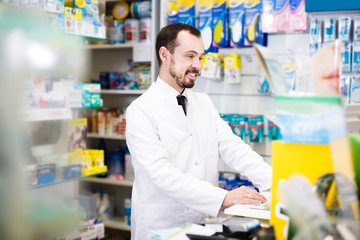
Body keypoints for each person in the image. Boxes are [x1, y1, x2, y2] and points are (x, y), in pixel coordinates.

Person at [125, 23, 272, 239]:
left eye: (200, 57)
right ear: (165, 55)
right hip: (162, 227)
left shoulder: (203, 102)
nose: (197, 65)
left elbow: (233, 147)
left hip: (205, 223)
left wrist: (274, 182)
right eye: (189, 56)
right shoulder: (140, 110)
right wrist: (224, 198)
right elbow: (162, 175)